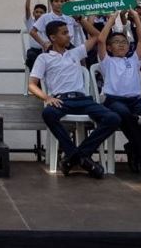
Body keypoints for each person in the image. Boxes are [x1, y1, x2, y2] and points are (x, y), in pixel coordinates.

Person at [28, 21, 118, 179]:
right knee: (48, 113)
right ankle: (82, 159)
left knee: (113, 118)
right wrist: (47, 97)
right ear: (53, 37)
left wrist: (81, 19)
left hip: (83, 99)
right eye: (64, 33)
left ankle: (75, 157)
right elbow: (32, 85)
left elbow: (97, 36)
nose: (68, 35)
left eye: (68, 32)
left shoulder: (75, 53)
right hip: (61, 100)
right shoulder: (44, 58)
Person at [98, 11, 141, 175]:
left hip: (136, 101)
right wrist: (112, 20)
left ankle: (134, 147)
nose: (121, 44)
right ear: (109, 47)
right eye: (116, 42)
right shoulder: (107, 61)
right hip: (114, 101)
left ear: (129, 46)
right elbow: (100, 39)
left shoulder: (134, 60)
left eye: (124, 42)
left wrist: (136, 18)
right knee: (124, 113)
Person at [23, 0, 47, 70]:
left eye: (41, 12)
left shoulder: (48, 22)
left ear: (45, 15)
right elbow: (26, 8)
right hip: (33, 51)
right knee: (32, 57)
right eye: (37, 12)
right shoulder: (30, 22)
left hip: (45, 50)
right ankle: (36, 80)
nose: (39, 14)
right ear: (33, 13)